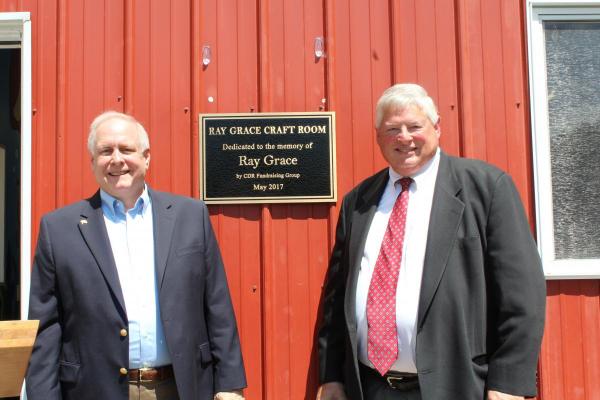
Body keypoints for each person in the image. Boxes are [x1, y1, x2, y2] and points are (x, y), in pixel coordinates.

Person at [317, 84, 545, 400]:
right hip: (369, 387)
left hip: (459, 386)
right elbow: (335, 299)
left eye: (414, 126)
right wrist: (331, 377)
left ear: (437, 128)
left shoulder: (487, 189)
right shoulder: (358, 202)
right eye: (392, 129)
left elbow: (522, 296)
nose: (404, 137)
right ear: (378, 137)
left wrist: (508, 383)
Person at [26, 111, 247, 400]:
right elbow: (46, 328)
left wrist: (229, 385)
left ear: (146, 157)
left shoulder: (190, 217)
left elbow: (217, 305)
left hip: (181, 387)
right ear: (93, 162)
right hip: (93, 390)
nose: (116, 159)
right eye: (105, 151)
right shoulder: (58, 229)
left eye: (126, 149)